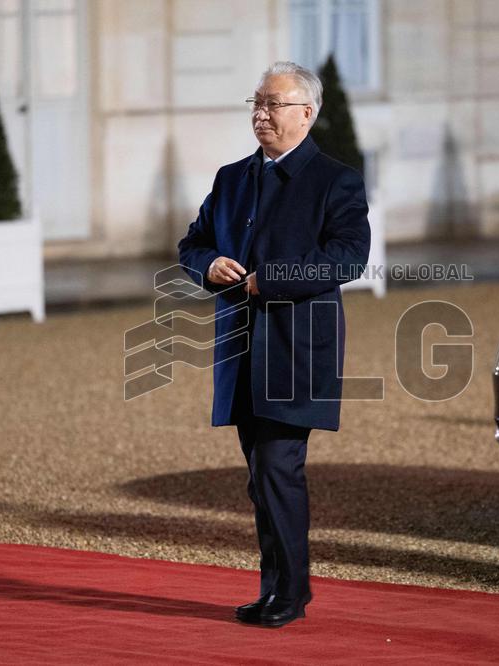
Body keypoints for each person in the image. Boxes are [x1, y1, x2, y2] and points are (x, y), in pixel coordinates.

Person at [178, 61, 369, 627]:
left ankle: (290, 594)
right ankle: (275, 588)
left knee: (277, 468)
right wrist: (207, 263)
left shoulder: (337, 180)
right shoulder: (231, 177)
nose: (260, 113)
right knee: (260, 476)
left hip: (297, 349)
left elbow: (349, 256)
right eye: (256, 103)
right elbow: (193, 243)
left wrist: (272, 279)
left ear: (306, 114)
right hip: (239, 349)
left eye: (273, 104)